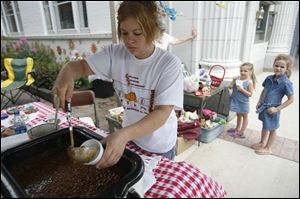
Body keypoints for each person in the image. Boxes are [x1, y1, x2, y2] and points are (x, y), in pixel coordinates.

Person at [52, 1, 183, 168]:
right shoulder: (115, 54)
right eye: (124, 33)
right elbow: (81, 67)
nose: (130, 40)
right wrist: (67, 71)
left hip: (159, 145)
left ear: (154, 31)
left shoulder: (168, 64)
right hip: (130, 138)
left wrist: (123, 135)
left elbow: (162, 113)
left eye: (137, 33)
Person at [252, 54, 294, 155]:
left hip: (273, 110)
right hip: (264, 107)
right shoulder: (269, 78)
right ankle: (262, 143)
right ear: (273, 65)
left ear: (287, 69)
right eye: (276, 65)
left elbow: (291, 99)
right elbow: (264, 90)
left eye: (282, 67)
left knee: (272, 129)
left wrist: (277, 109)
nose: (278, 68)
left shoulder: (286, 83)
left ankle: (268, 148)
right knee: (265, 126)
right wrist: (259, 101)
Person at [227, 63, 257, 138]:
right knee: (238, 115)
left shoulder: (249, 82)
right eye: (241, 71)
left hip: (243, 102)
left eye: (245, 71)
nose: (242, 72)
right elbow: (230, 87)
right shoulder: (237, 79)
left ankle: (241, 132)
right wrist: (233, 81)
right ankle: (237, 129)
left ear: (250, 72)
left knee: (244, 116)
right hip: (236, 100)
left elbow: (250, 94)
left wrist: (242, 90)